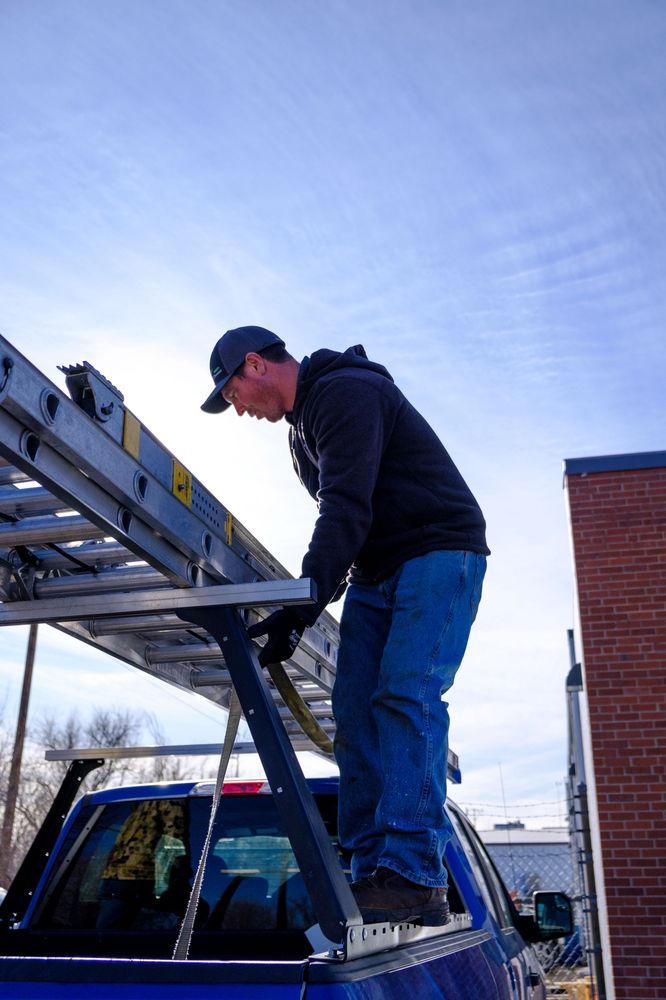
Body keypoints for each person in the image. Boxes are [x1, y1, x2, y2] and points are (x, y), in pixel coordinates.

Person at [201, 325, 489, 926]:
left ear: (255, 365)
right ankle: (372, 872)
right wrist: (303, 604)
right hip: (377, 566)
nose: (240, 411)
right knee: (354, 708)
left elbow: (346, 507)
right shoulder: (301, 430)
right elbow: (350, 519)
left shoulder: (346, 393)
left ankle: (414, 874)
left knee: (406, 694)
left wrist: (304, 605)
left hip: (438, 551)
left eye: (232, 395)